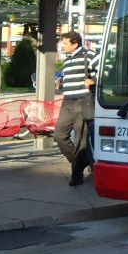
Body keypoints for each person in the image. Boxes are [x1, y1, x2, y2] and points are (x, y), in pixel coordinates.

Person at [56, 30, 98, 187]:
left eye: (65, 43)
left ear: (75, 44)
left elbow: (107, 72)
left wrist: (93, 81)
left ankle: (77, 174)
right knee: (59, 135)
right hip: (67, 102)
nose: (62, 46)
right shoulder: (67, 60)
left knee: (80, 138)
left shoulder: (90, 55)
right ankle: (80, 161)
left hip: (83, 101)